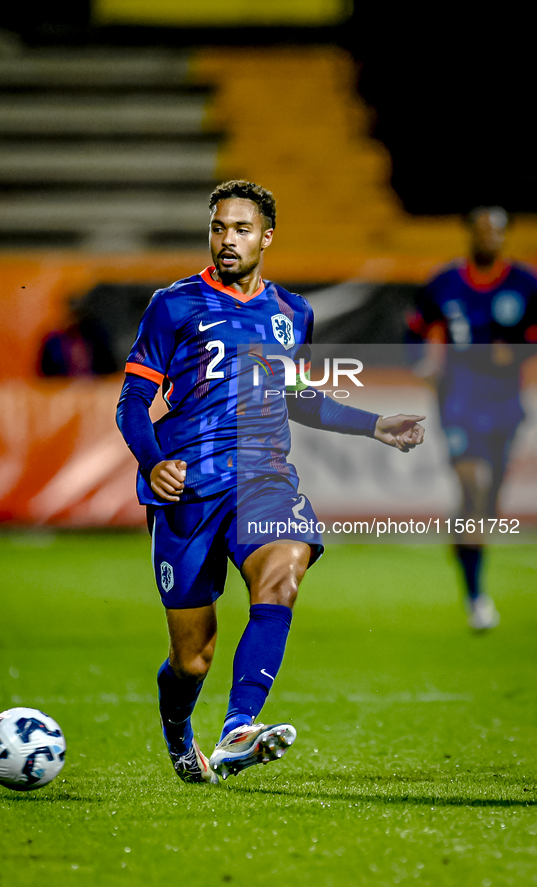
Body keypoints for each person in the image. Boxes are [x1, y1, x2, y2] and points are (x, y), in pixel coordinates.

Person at [117, 180, 425, 785]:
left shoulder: (291, 314)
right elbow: (133, 401)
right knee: (192, 656)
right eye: (218, 228)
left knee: (285, 567)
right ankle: (180, 733)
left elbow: (299, 399)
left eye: (240, 229)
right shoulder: (173, 305)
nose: (226, 240)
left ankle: (238, 728)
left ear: (266, 237)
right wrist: (153, 459)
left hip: (263, 477)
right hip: (189, 486)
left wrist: (375, 424)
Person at [410, 207, 537, 630]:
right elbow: (415, 327)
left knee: (485, 505)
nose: (490, 238)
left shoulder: (525, 283)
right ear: (470, 234)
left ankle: (465, 540)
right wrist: (420, 365)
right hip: (459, 397)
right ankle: (476, 596)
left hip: (504, 402)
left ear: (505, 236)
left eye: (497, 231)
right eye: (482, 230)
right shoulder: (444, 282)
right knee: (471, 480)